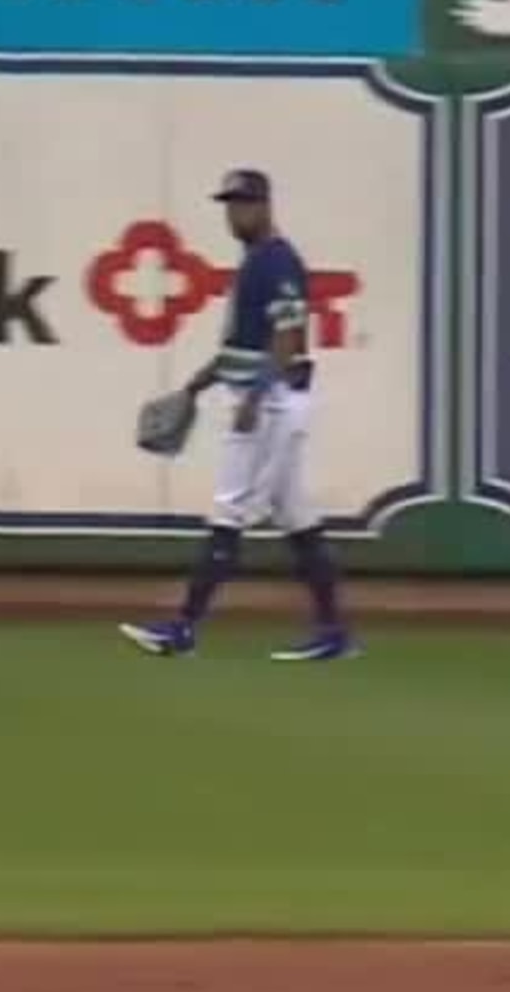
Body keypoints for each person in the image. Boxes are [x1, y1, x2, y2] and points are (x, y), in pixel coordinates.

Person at [121, 169, 357, 662]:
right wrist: (194, 387)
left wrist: (253, 397)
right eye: (229, 204)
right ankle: (334, 632)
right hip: (268, 399)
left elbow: (291, 340)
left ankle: (183, 627)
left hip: (269, 403)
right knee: (297, 518)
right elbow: (239, 347)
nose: (235, 213)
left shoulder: (276, 262)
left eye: (243, 203)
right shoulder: (256, 261)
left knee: (229, 510)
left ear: (265, 205)